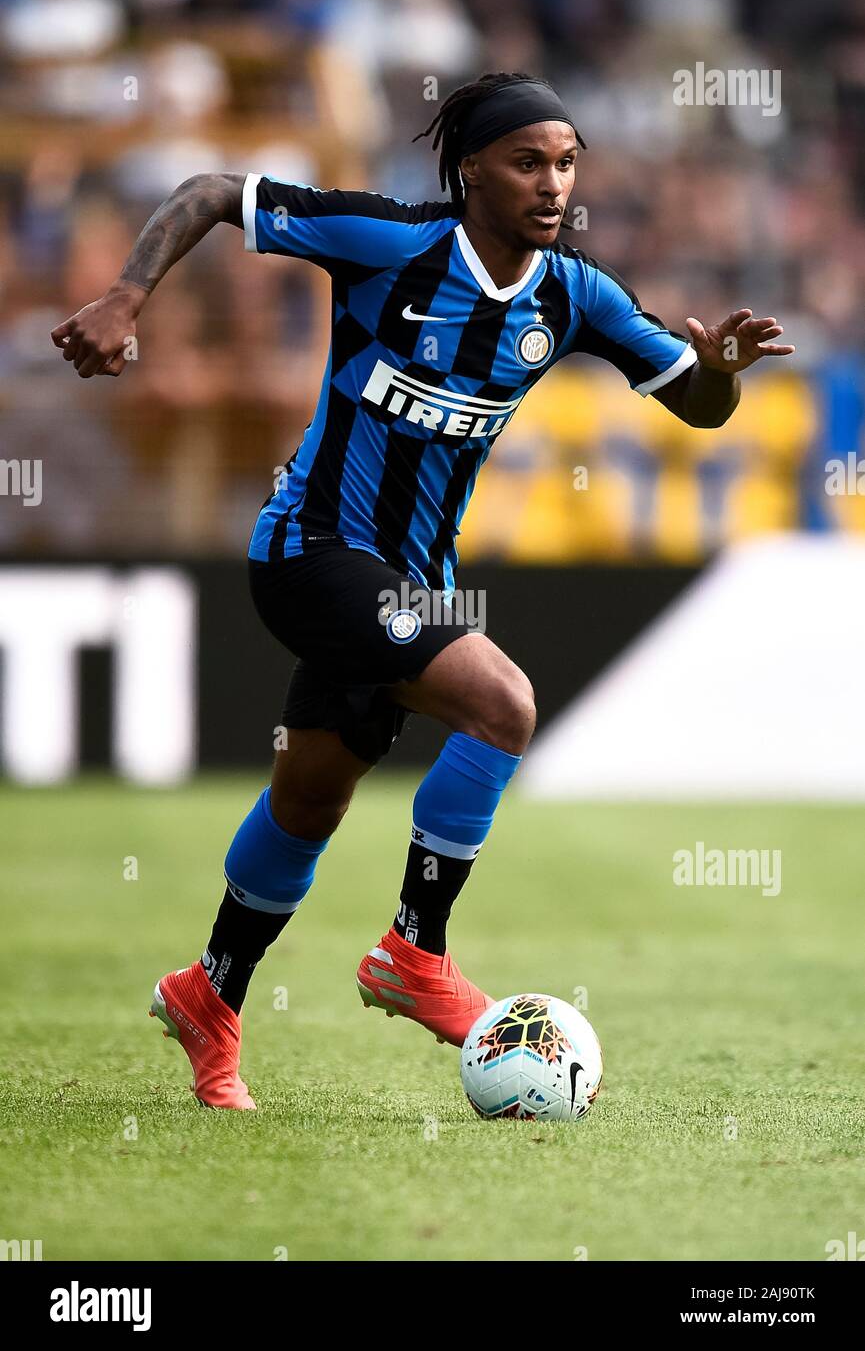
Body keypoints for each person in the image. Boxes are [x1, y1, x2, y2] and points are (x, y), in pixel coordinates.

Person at [51, 72, 794, 1109]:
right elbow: (216, 190)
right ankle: (413, 950)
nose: (553, 184)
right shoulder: (389, 242)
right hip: (309, 552)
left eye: (568, 162)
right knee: (503, 702)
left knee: (308, 796)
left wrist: (718, 371)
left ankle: (207, 994)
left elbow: (701, 410)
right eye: (528, 162)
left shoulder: (574, 294)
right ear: (472, 170)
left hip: (413, 580)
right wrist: (129, 294)